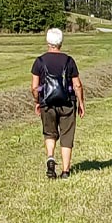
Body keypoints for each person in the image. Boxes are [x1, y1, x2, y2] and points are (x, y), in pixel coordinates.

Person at [30, 28, 85, 179]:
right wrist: (81, 103)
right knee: (67, 135)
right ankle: (66, 171)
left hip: (47, 102)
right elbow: (77, 85)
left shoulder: (39, 61)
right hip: (67, 102)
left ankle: (50, 157)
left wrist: (37, 101)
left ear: (47, 42)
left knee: (49, 133)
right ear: (61, 42)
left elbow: (34, 87)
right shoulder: (69, 60)